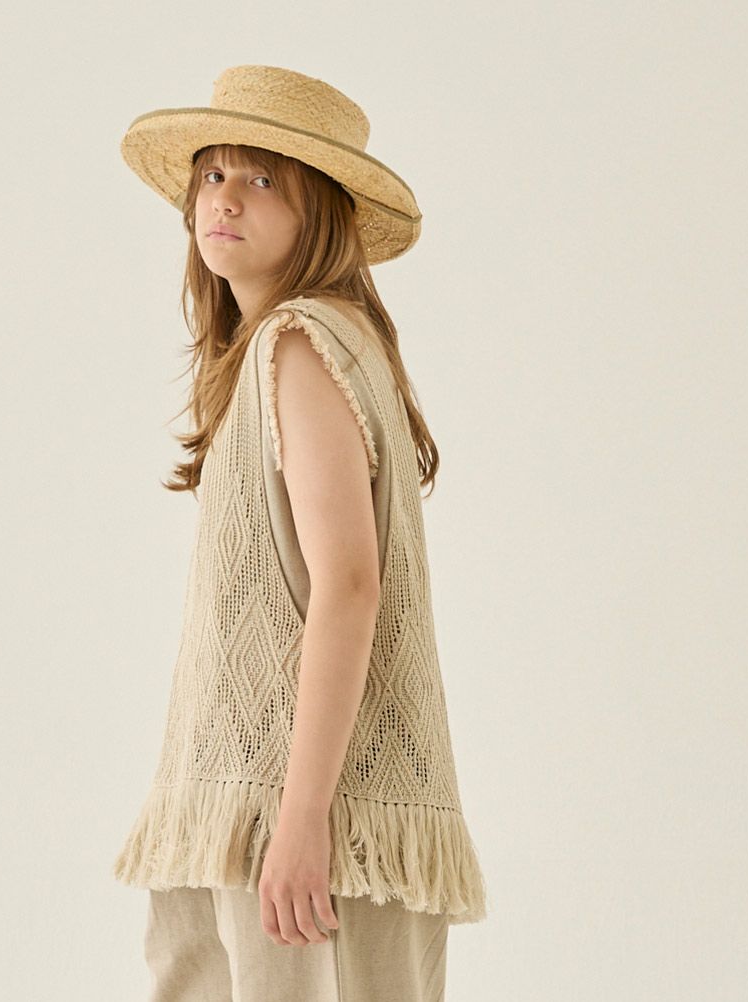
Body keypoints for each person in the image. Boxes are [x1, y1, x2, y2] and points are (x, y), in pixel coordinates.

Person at [112, 64, 488, 1001]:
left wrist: (302, 815)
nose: (224, 199)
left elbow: (349, 584)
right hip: (241, 807)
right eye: (212, 174)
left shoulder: (301, 343)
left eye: (262, 178)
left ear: (318, 209)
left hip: (295, 818)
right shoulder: (286, 349)